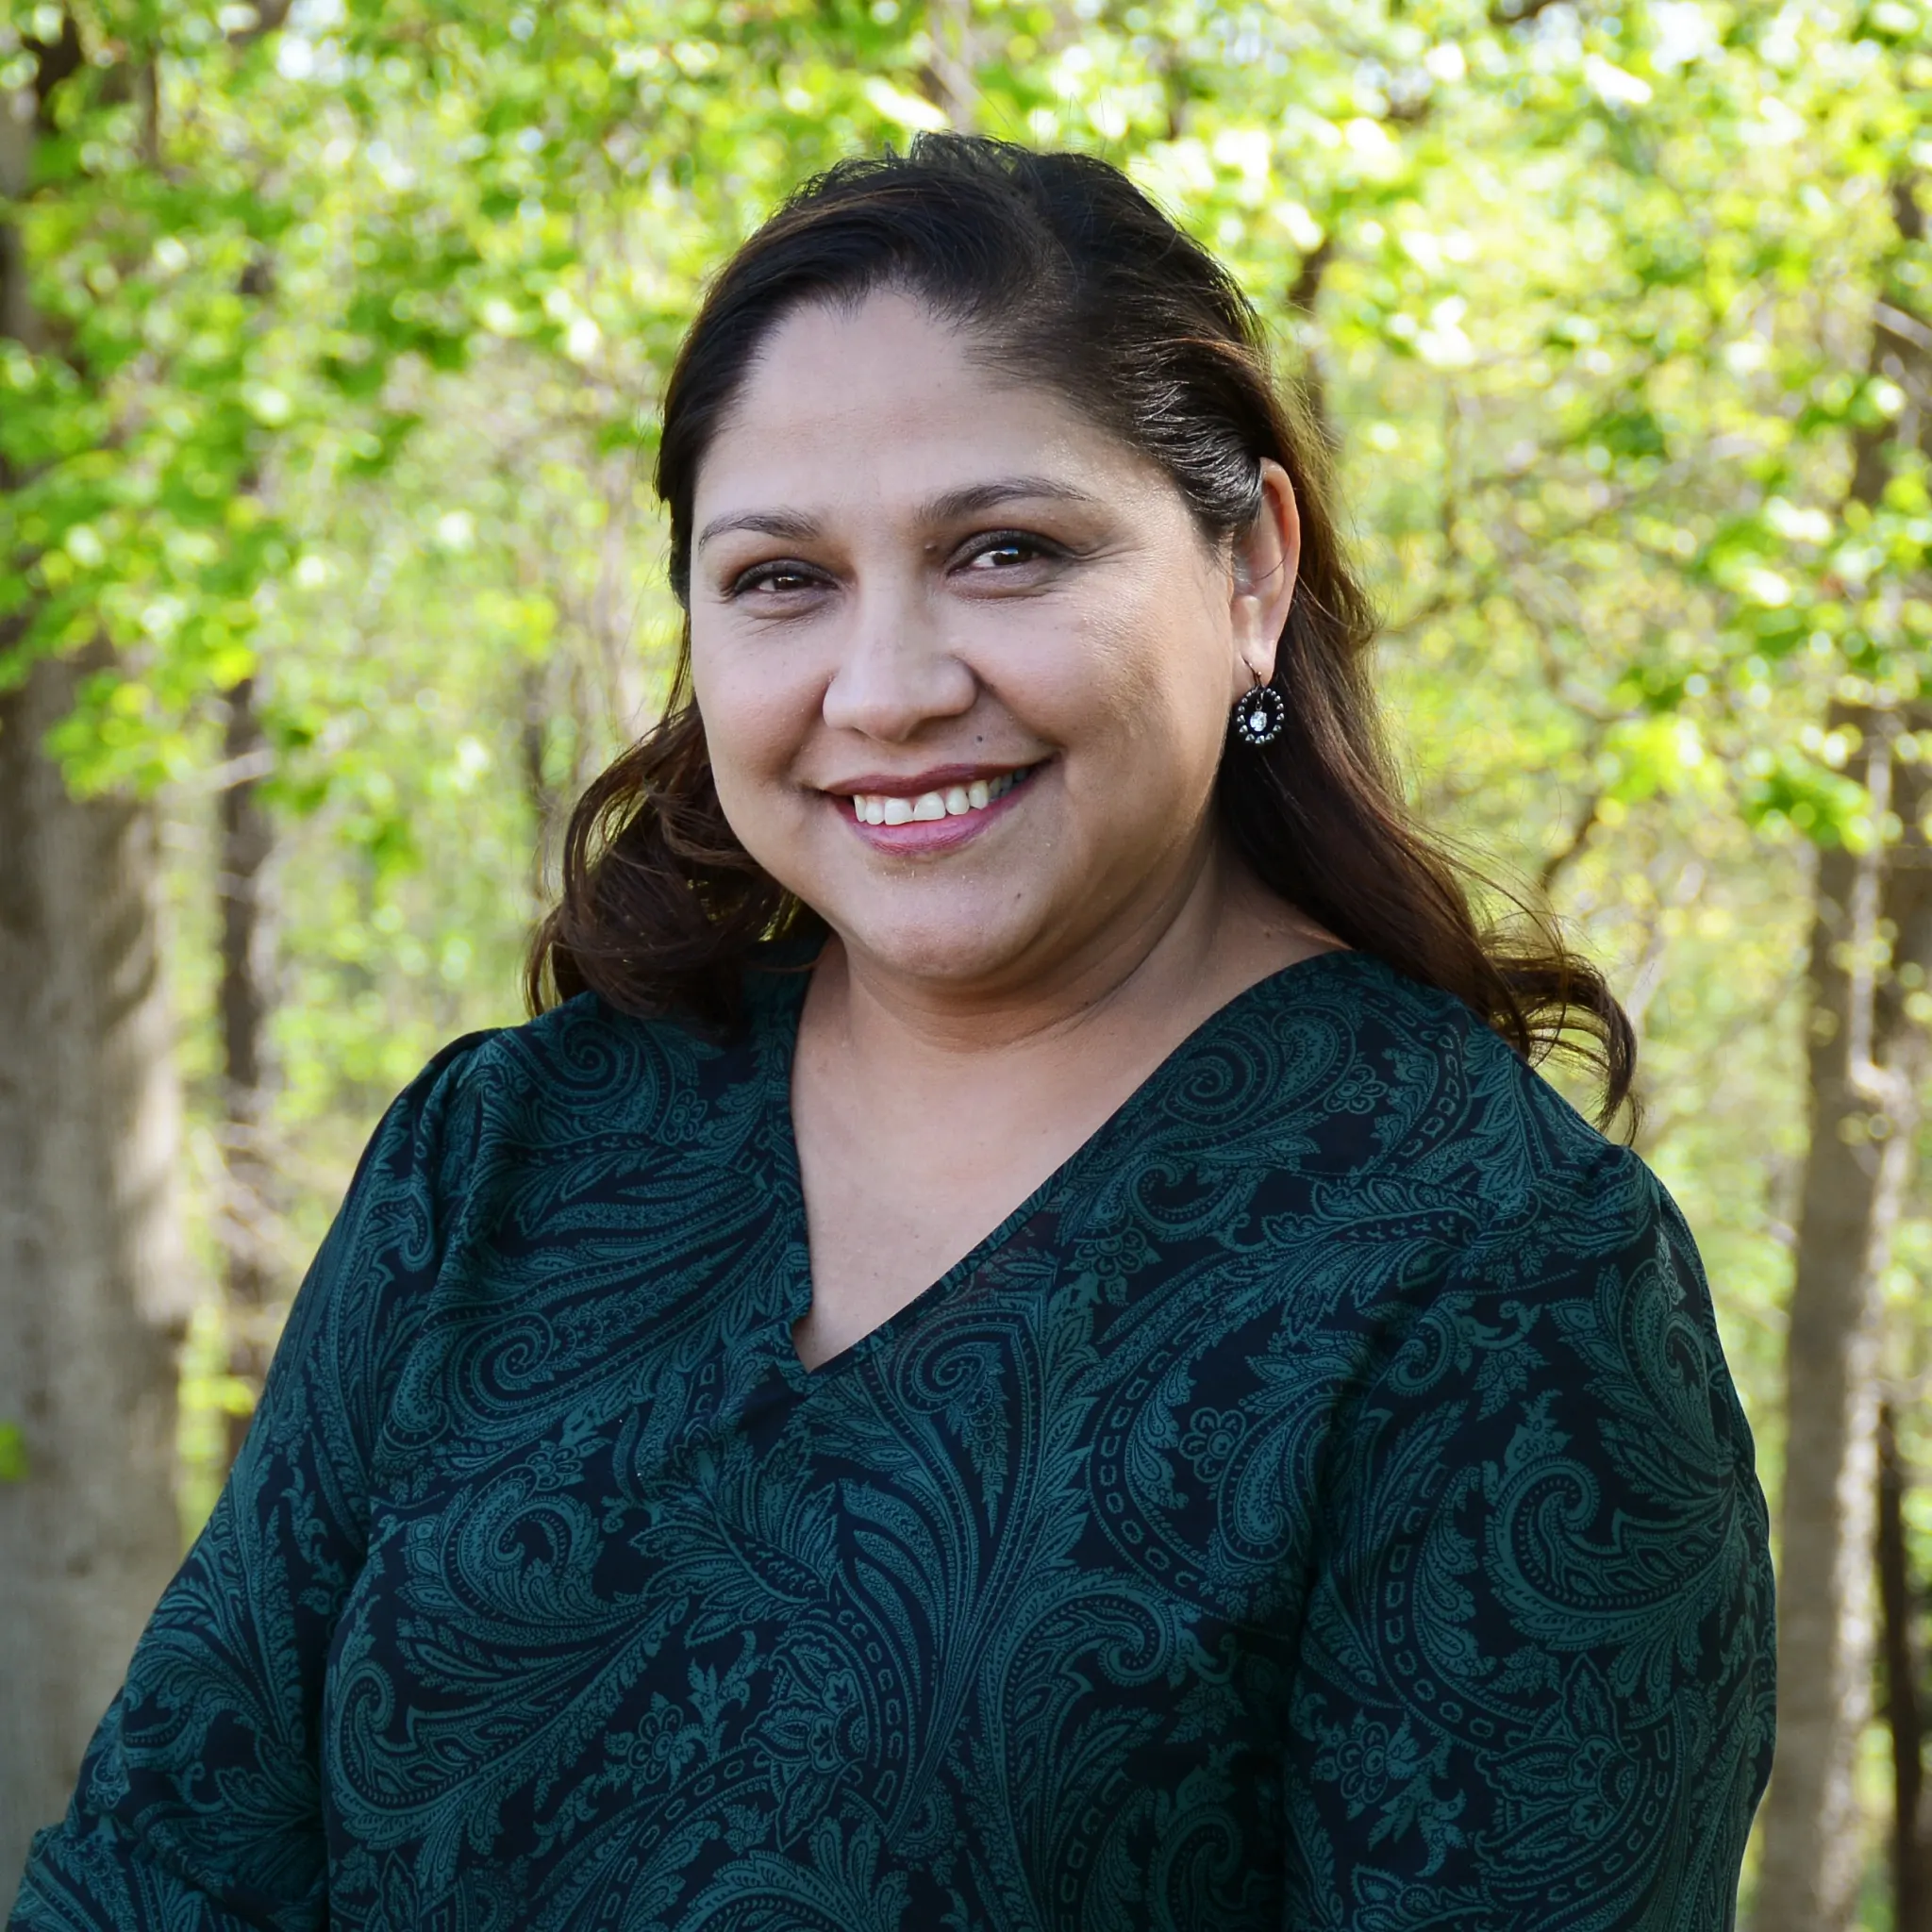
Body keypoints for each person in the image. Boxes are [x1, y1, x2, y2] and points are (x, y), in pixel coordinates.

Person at [11, 134, 1774, 1932]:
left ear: (1250, 571)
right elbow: (158, 1874)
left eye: (1006, 551)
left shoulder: (1504, 1280)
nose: (889, 688)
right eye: (783, 580)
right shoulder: (506, 1159)